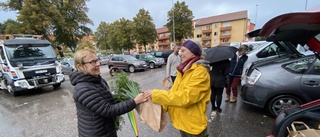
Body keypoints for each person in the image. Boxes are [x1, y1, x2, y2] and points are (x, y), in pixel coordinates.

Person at [69, 49, 148, 137]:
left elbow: (107, 98)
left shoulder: (97, 80)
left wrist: (127, 96)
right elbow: (108, 110)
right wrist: (134, 102)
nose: (99, 64)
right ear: (80, 66)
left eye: (97, 60)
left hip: (105, 131)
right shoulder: (83, 89)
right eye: (93, 62)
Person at [144, 39, 211, 137]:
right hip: (183, 124)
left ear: (193, 52)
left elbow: (185, 98)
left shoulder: (200, 72)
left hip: (193, 127)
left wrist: (155, 94)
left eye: (183, 50)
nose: (180, 54)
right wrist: (161, 107)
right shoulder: (184, 70)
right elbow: (174, 92)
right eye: (180, 51)